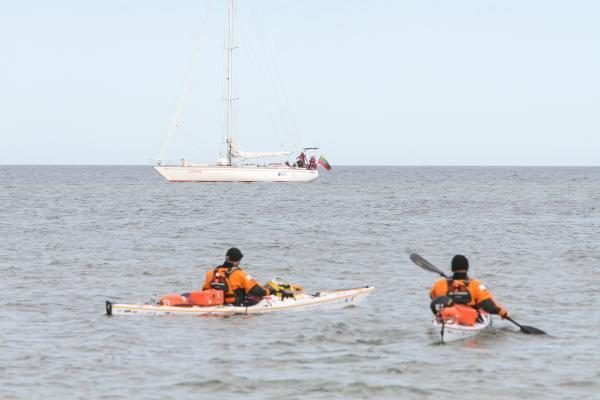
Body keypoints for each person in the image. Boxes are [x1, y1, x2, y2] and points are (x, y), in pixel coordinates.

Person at [429, 255, 509, 319]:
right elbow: (489, 305)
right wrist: (503, 313)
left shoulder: (439, 284)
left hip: (448, 318)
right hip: (468, 319)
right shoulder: (476, 285)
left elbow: (432, 296)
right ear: (467, 268)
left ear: (452, 268)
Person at [202, 248, 270, 306]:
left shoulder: (211, 272)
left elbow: (205, 290)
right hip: (235, 305)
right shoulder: (239, 273)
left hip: (216, 303)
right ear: (237, 261)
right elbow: (257, 291)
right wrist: (268, 291)